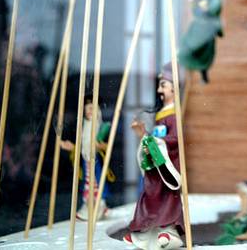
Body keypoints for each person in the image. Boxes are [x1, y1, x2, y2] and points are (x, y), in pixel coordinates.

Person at [123, 62, 184, 250]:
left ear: (174, 88)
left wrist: (156, 142)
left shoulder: (175, 114)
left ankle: (168, 229)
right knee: (150, 192)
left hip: (168, 162)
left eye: (163, 85)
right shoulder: (161, 113)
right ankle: (145, 232)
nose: (159, 90)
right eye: (159, 86)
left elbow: (175, 138)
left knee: (167, 195)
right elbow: (157, 137)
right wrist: (144, 136)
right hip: (156, 162)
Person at [60, 93, 114, 221]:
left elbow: (108, 146)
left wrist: (102, 146)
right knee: (88, 184)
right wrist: (72, 147)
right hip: (86, 161)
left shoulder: (102, 127)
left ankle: (100, 207)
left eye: (92, 108)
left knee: (98, 184)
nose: (89, 112)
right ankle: (90, 209)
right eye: (87, 109)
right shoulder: (82, 127)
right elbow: (81, 146)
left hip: (97, 161)